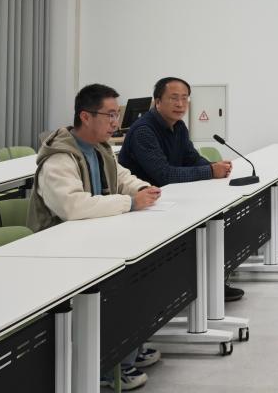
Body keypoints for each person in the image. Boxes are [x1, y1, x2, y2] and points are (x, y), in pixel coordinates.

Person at [28, 84, 161, 391]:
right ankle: (105, 365)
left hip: (92, 240)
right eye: (110, 115)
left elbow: (122, 177)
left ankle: (129, 348)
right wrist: (130, 202)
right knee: (121, 287)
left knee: (141, 275)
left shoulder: (100, 149)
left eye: (117, 114)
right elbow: (74, 206)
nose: (116, 122)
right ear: (85, 116)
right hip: (58, 251)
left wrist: (142, 189)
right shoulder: (59, 159)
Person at [119, 76, 243, 302]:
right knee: (200, 228)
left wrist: (214, 167)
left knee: (212, 219)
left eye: (185, 98)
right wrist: (210, 171)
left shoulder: (179, 126)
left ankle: (210, 282)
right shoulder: (144, 131)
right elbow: (164, 175)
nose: (180, 104)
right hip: (145, 207)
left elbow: (191, 158)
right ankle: (200, 285)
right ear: (158, 101)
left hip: (169, 199)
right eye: (174, 98)